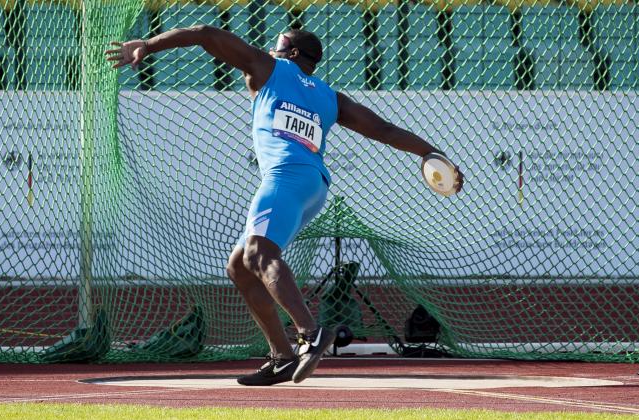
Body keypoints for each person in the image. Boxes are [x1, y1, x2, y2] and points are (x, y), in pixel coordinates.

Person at [106, 26, 463, 386]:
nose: (269, 51)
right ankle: (282, 357)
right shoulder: (329, 97)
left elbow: (204, 33)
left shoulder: (268, 68)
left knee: (258, 254)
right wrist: (432, 154)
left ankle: (310, 333)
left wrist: (148, 46)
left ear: (291, 54)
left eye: (276, 47)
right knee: (240, 267)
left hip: (284, 178)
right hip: (313, 186)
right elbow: (384, 130)